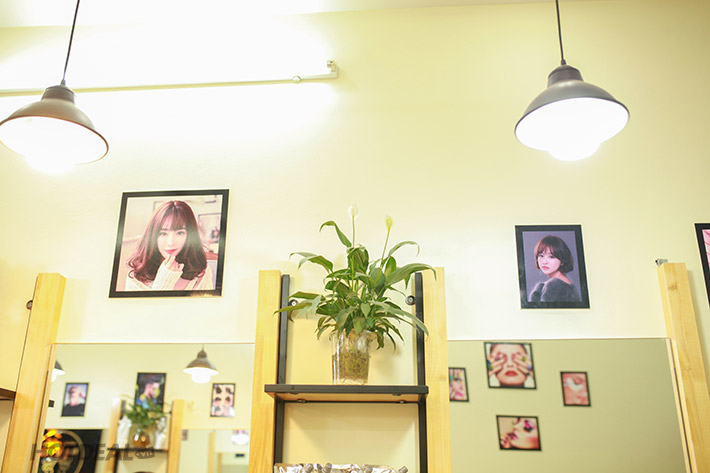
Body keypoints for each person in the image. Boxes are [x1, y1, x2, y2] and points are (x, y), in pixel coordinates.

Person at [125, 200, 213, 291]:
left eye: (180, 233)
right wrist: (164, 281)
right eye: (163, 234)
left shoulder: (202, 273)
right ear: (152, 236)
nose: (171, 243)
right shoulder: (136, 277)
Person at [529, 235, 580, 303]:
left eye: (551, 257)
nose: (544, 262)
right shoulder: (559, 284)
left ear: (562, 260)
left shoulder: (555, 286)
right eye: (541, 256)